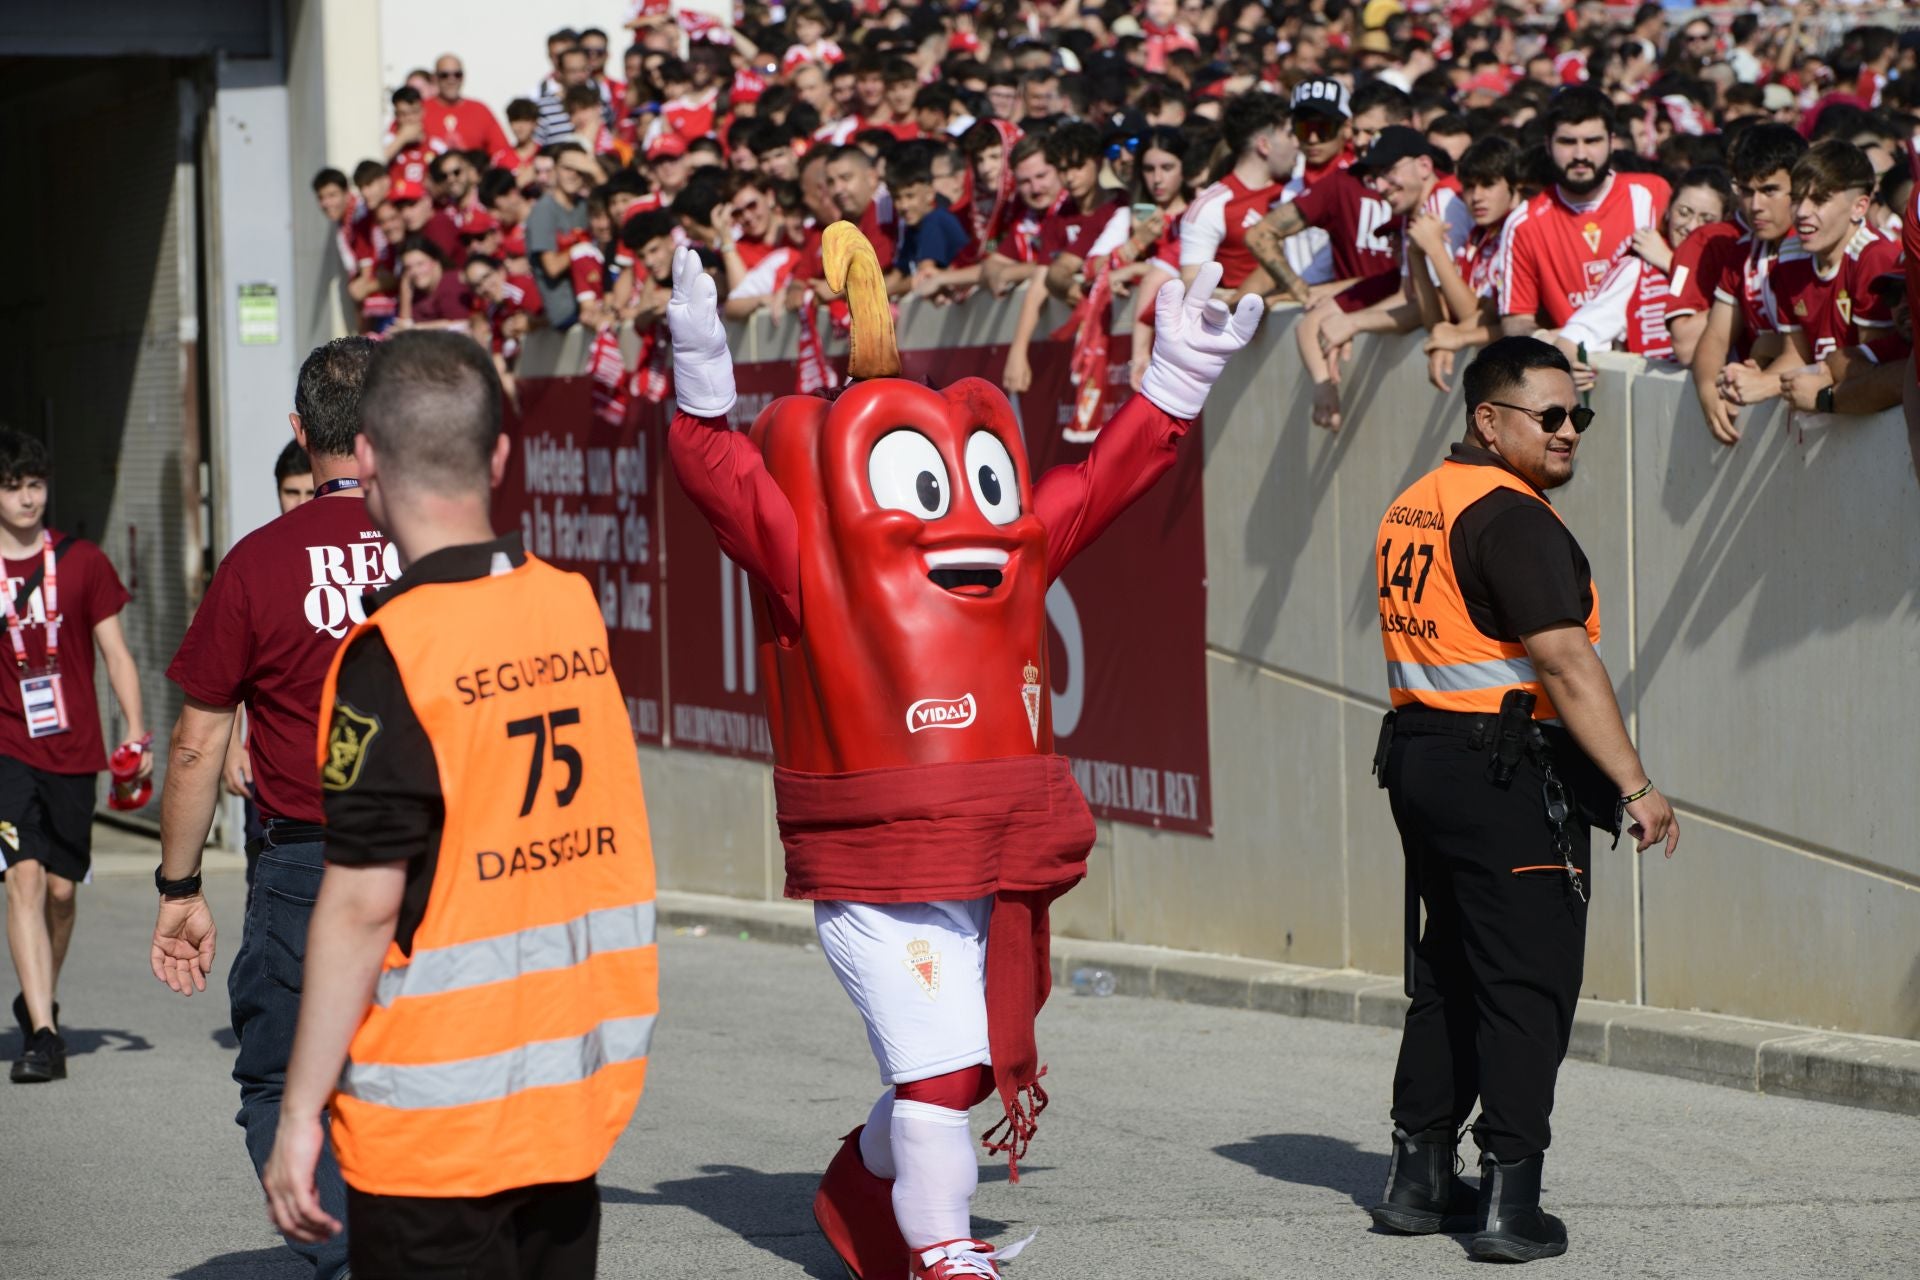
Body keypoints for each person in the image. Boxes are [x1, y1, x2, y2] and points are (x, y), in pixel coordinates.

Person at [666, 234, 1261, 1279]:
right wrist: (703, 377)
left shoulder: (1017, 541)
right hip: (880, 859)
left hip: (998, 844)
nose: (961, 516)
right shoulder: (810, 555)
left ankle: (864, 1181)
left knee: (972, 1064)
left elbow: (1104, 482)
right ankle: (944, 1250)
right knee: (942, 1072)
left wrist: (1176, 378)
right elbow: (721, 475)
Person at [259, 331, 659, 1279]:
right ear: (500, 456)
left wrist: (299, 1112)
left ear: (363, 461)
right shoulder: (569, 605)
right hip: (569, 1104)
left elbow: (361, 903)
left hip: (433, 1130)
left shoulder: (392, 650)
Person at [1369, 337, 1678, 1263]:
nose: (1568, 431)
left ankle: (1419, 1180)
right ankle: (1512, 1199)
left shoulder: (1415, 502)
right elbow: (1563, 659)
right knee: (1526, 985)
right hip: (1505, 771)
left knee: (1451, 971)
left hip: (1423, 760)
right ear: (1487, 421)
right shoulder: (1513, 517)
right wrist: (1636, 784)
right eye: (1547, 417)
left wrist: (1555, 382)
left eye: (1577, 414)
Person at [152, 338, 387, 1279]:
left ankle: (346, 1257)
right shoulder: (451, 547)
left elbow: (197, 745)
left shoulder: (256, 562)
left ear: (301, 434)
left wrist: (179, 888)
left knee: (284, 1081)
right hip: (448, 862)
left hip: (307, 868)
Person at [0, 428, 148, 1084]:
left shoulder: (83, 561)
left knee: (61, 891)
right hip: (7, 748)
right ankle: (45, 1037)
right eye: (12, 486)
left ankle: (39, 1000)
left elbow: (116, 653)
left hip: (76, 748)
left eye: (35, 484)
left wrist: (135, 734)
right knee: (24, 879)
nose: (27, 498)